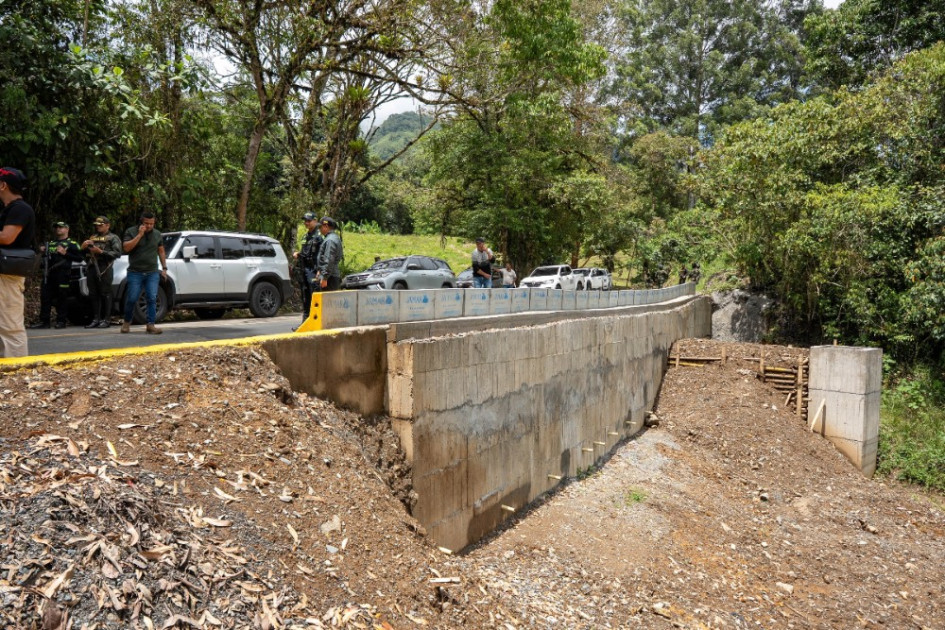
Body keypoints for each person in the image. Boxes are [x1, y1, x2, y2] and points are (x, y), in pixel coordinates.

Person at [0, 167, 35, 358]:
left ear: (3, 185)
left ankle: (17, 369)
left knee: (10, 327)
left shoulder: (20, 209)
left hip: (8, 275)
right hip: (4, 273)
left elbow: (7, 237)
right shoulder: (8, 210)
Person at [120, 211, 166, 334]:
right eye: (146, 223)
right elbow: (126, 248)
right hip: (135, 272)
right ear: (141, 222)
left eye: (152, 224)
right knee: (132, 298)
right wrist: (139, 235)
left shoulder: (157, 234)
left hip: (152, 272)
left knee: (152, 298)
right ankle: (126, 322)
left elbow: (161, 251)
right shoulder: (131, 231)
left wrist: (164, 268)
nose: (149, 226)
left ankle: (150, 324)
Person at [30, 221, 82, 329]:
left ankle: (61, 321)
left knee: (62, 297)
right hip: (49, 274)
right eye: (57, 227)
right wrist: (42, 251)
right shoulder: (51, 243)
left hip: (63, 274)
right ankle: (44, 321)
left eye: (61, 227)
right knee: (45, 297)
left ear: (67, 229)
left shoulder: (72, 243)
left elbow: (80, 258)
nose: (58, 229)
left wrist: (65, 253)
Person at [80, 216, 122, 328]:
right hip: (92, 267)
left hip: (105, 267)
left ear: (107, 225)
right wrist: (83, 248)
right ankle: (96, 319)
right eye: (97, 225)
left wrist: (101, 252)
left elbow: (117, 253)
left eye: (100, 225)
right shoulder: (93, 237)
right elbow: (84, 255)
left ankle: (107, 319)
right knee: (93, 294)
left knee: (106, 293)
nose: (98, 227)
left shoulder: (113, 238)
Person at [292, 211, 322, 323]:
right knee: (305, 297)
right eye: (305, 221)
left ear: (315, 221)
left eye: (309, 220)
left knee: (314, 296)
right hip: (304, 270)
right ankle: (304, 323)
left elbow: (322, 255)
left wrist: (320, 270)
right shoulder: (305, 236)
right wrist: (298, 254)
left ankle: (316, 322)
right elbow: (306, 252)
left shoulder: (319, 236)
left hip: (314, 270)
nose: (306, 223)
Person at [315, 216, 343, 291]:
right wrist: (319, 271)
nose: (319, 229)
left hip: (330, 278)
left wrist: (325, 277)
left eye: (320, 227)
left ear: (326, 226)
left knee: (328, 298)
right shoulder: (333, 238)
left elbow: (329, 259)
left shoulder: (330, 240)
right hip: (330, 275)